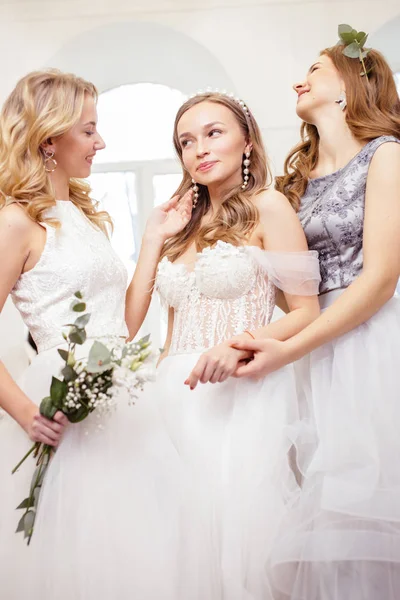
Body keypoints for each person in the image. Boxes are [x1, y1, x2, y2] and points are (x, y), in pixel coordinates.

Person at [0, 69, 192, 600]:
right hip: (62, 406)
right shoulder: (16, 222)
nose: (100, 142)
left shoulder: (82, 217)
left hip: (120, 398)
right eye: (88, 129)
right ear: (48, 137)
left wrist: (153, 238)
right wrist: (25, 412)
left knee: (144, 549)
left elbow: (120, 328)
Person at [125, 90, 321, 599]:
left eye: (214, 133)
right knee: (176, 545)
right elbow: (148, 327)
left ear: (247, 142)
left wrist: (241, 343)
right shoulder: (177, 227)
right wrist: (152, 239)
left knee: (240, 545)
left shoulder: (269, 207)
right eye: (186, 141)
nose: (199, 149)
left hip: (240, 395)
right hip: (173, 398)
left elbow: (306, 312)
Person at [232, 41, 400, 600]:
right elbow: (295, 292)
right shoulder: (295, 181)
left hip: (370, 345)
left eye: (313, 71)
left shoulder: (386, 156)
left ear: (350, 83)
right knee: (317, 506)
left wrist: (291, 348)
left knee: (368, 502)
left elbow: (379, 280)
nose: (297, 83)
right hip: (311, 352)